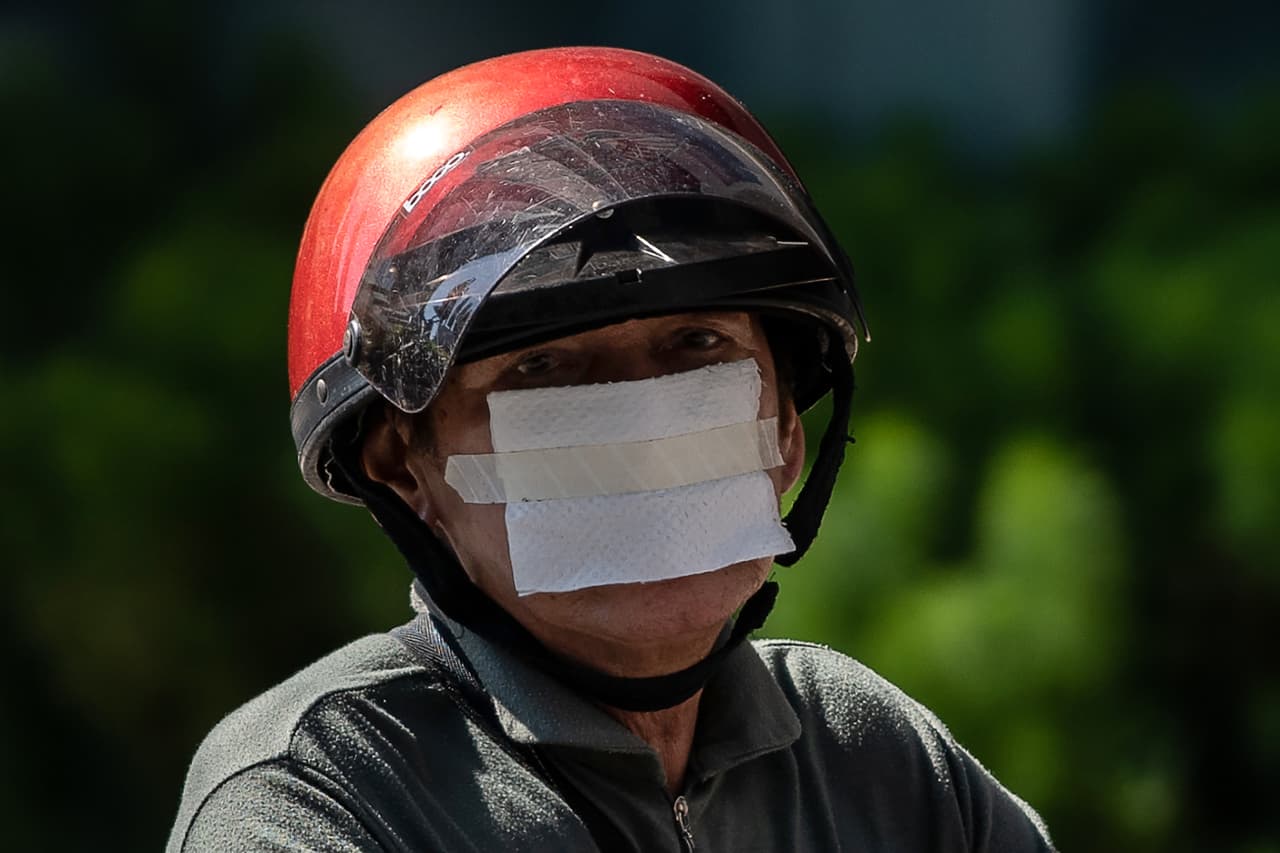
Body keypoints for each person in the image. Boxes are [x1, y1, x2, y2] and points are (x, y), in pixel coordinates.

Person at [167, 47, 1055, 852]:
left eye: (697, 345)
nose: (639, 412)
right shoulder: (317, 798)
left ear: (786, 429)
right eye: (544, 366)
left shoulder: (872, 757)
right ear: (404, 467)